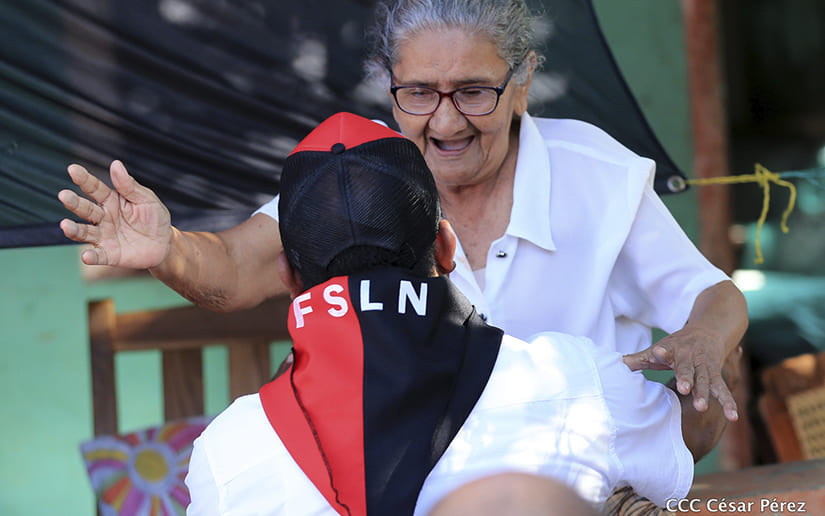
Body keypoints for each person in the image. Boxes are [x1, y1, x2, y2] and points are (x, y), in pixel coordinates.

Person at [58, 0, 746, 453]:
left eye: (473, 91)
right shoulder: (362, 171)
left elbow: (713, 296)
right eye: (418, 93)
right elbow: (236, 267)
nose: (444, 122)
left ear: (523, 82)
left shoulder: (597, 175)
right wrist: (169, 249)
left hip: (582, 484)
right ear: (388, 85)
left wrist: (705, 339)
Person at [183, 112, 695, 515]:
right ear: (447, 248)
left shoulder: (227, 453)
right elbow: (677, 457)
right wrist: (718, 358)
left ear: (289, 278)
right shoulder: (577, 382)